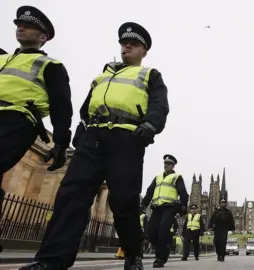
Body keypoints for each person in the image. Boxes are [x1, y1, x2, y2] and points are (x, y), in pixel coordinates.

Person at [20, 22, 169, 270]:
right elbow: (85, 110)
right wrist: (81, 135)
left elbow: (159, 106)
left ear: (145, 51)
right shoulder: (102, 76)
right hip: (93, 140)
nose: (126, 46)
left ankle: (132, 253)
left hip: (126, 139)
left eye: (133, 44)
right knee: (71, 196)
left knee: (123, 201)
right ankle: (51, 260)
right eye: (123, 43)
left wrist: (151, 126)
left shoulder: (150, 75)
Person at [0, 4, 72, 220]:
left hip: (17, 121)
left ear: (43, 36)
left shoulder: (50, 65)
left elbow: (61, 107)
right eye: (19, 25)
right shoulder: (2, 58)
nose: (21, 28)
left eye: (28, 26)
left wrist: (60, 143)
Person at [140, 154, 188, 267]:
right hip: (156, 208)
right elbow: (149, 191)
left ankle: (160, 258)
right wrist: (144, 204)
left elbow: (183, 192)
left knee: (162, 231)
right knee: (151, 233)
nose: (166, 165)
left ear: (173, 165)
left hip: (169, 208)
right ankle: (165, 247)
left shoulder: (177, 177)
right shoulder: (158, 177)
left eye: (168, 164)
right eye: (165, 163)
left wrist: (183, 205)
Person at [208, 197, 235, 262]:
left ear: (226, 204)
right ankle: (218, 254)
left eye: (224, 202)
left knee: (223, 242)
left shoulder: (228, 211)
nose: (223, 203)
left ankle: (222, 256)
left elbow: (231, 220)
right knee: (216, 242)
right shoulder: (216, 211)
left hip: (224, 228)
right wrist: (210, 227)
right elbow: (211, 219)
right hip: (217, 228)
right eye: (222, 202)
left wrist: (233, 228)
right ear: (220, 203)